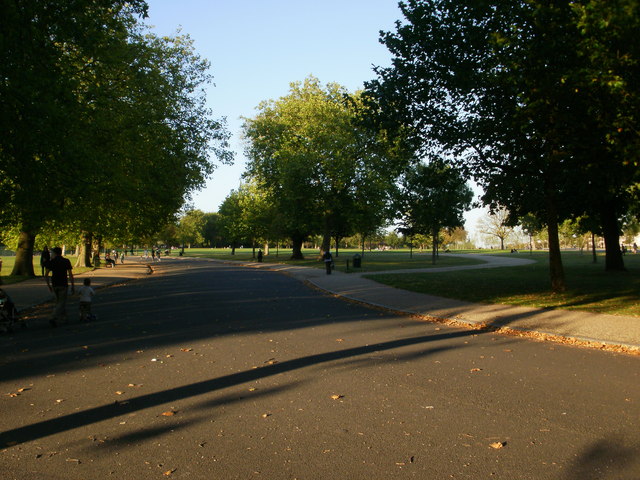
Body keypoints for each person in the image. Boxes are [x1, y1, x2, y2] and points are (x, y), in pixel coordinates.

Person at [44, 247, 74, 327]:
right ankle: (53, 317)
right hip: (63, 284)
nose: (51, 254)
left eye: (52, 253)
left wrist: (48, 285)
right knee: (61, 302)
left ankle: (64, 318)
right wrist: (73, 285)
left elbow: (46, 275)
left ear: (55, 253)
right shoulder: (66, 261)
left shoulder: (52, 262)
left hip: (55, 284)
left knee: (59, 302)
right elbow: (70, 274)